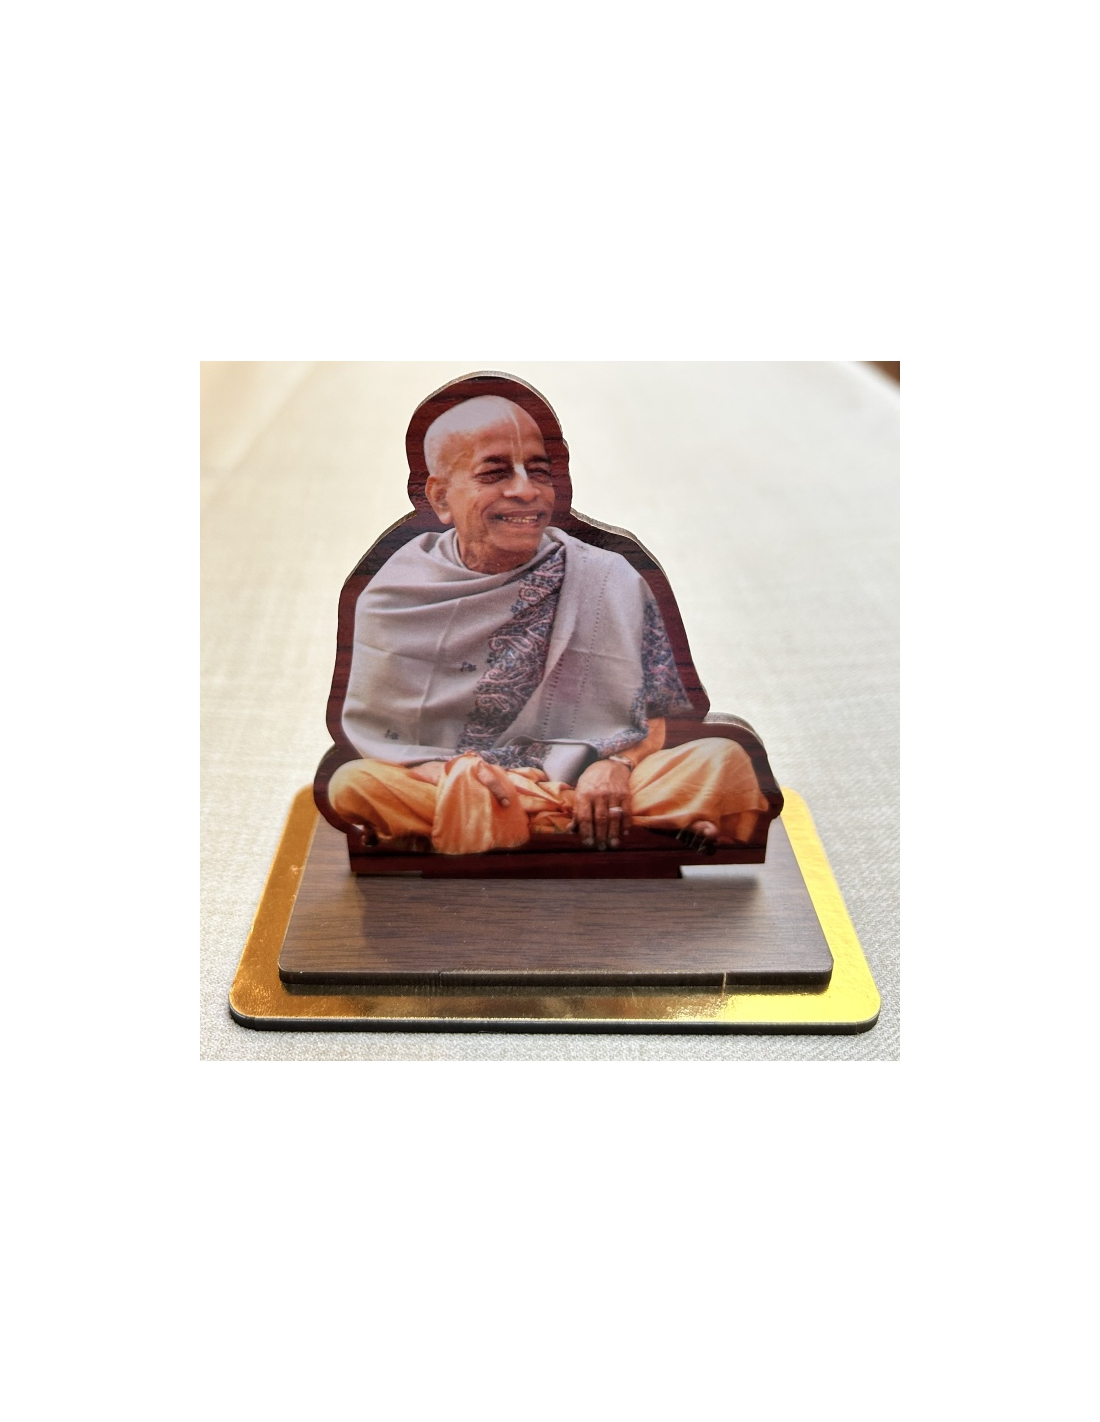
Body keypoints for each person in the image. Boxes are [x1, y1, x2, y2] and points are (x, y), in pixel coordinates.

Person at [326, 395, 769, 854]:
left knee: (723, 760)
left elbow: (657, 713)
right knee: (355, 785)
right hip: (463, 784)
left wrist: (616, 766)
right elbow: (386, 743)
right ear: (440, 496)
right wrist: (457, 775)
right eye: (495, 473)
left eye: (538, 472)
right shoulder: (396, 594)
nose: (526, 491)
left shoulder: (606, 575)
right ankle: (578, 820)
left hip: (593, 779)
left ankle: (500, 826)